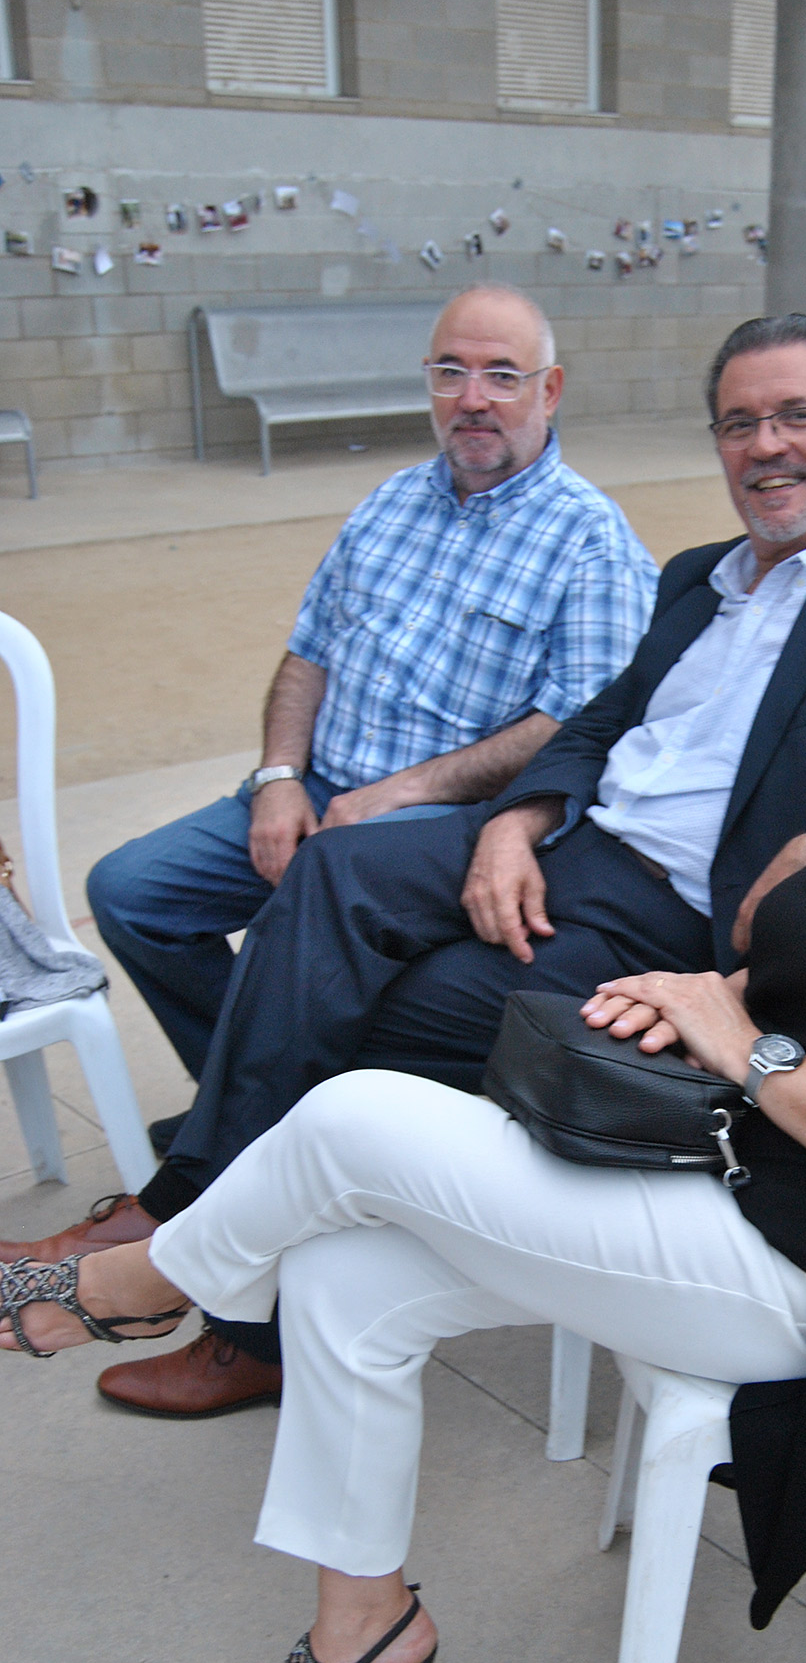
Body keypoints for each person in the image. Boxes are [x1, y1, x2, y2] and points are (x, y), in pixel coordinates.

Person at [1, 431, 806, 1663]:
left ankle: (132, 1284)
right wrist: (707, 992)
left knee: (351, 1119)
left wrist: (744, 1048)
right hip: (733, 1171)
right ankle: (366, 1625)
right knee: (341, 1278)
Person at [19, 312, 806, 1419]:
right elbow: (596, 722)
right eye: (739, 423)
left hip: (672, 920)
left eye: (797, 417)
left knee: (360, 1019)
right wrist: (515, 823)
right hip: (572, 842)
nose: (766, 445)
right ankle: (195, 1220)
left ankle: (218, 1288)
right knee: (331, 876)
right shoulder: (702, 577)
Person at [83, 283, 657, 1086]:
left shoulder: (592, 542)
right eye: (450, 372)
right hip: (318, 787)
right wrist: (279, 778)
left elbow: (576, 727)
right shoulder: (390, 502)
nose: (472, 399)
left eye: (502, 375)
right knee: (130, 892)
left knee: (309, 911)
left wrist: (397, 793)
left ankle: (263, 1098)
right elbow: (307, 654)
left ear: (549, 389)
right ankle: (249, 1097)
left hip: (443, 817)